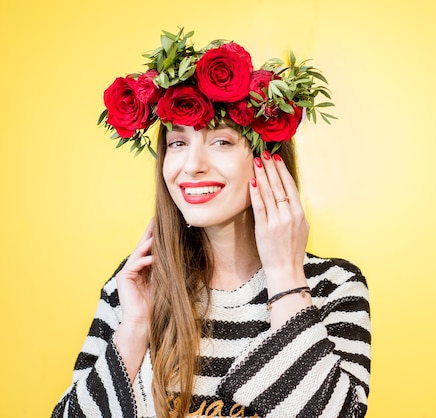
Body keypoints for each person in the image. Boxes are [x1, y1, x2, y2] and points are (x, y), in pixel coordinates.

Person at [51, 29, 370, 418]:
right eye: (177, 143)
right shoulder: (135, 286)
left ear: (267, 157)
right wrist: (134, 327)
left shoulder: (333, 286)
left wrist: (286, 277)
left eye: (221, 141)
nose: (192, 166)